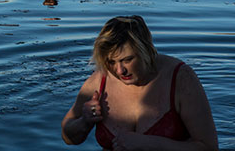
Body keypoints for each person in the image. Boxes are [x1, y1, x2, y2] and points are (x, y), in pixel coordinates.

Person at [61, 15, 218, 151]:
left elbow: (209, 148)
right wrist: (85, 121)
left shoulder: (181, 79)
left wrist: (150, 144)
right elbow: (68, 138)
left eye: (127, 60)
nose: (119, 70)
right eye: (111, 61)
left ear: (146, 51)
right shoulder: (100, 80)